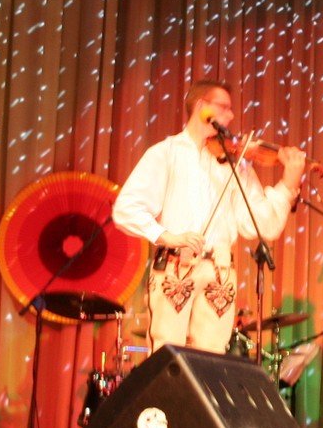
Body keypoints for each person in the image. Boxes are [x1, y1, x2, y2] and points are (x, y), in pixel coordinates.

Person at [112, 78, 307, 355]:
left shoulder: (233, 162)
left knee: (212, 358)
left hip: (220, 271)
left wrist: (288, 183)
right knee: (167, 355)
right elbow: (126, 208)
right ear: (202, 107)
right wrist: (168, 237)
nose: (231, 115)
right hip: (176, 266)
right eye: (224, 107)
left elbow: (263, 225)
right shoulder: (167, 152)